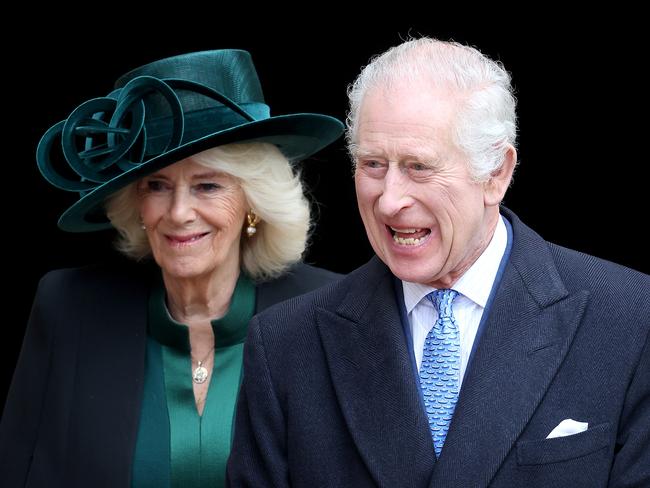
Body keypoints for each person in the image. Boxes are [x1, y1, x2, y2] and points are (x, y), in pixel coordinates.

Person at [226, 38, 650, 487]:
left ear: (496, 174)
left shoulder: (631, 318)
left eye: (418, 167)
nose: (389, 201)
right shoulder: (286, 344)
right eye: (373, 164)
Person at [0, 49, 344, 487]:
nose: (179, 212)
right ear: (135, 205)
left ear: (253, 204)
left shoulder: (329, 314)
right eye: (157, 185)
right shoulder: (69, 309)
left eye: (207, 185)